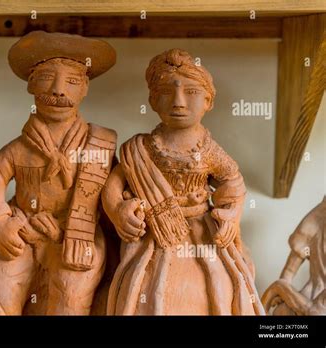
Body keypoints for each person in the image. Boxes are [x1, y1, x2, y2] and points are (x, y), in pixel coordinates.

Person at [102, 49, 264, 315]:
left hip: (202, 233)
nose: (178, 102)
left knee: (216, 286)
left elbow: (233, 182)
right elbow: (114, 185)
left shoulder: (209, 150)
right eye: (166, 92)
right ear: (153, 100)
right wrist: (119, 211)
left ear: (208, 101)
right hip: (153, 234)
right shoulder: (139, 148)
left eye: (191, 92)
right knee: (144, 287)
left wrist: (231, 215)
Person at [0, 31, 117, 315]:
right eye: (47, 78)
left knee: (72, 292)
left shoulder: (99, 144)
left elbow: (113, 186)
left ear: (85, 88)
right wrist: (1, 222)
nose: (58, 90)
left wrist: (123, 207)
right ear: (31, 84)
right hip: (23, 228)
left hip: (75, 233)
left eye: (72, 81)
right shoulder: (18, 149)